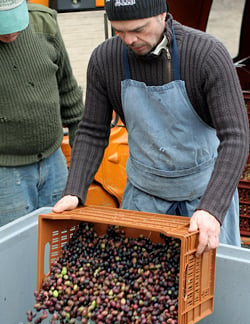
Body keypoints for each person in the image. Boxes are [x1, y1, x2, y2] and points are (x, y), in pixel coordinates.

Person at [53, 0, 249, 255]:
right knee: (141, 280)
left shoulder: (206, 55)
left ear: (162, 14)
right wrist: (74, 190)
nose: (130, 40)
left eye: (139, 29)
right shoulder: (105, 60)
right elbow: (92, 131)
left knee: (214, 283)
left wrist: (212, 207)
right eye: (119, 31)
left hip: (204, 197)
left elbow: (236, 137)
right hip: (144, 199)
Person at [0, 0, 83, 226]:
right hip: (5, 173)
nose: (9, 34)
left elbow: (68, 90)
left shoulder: (44, 22)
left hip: (54, 161)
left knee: (62, 241)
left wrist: (81, 163)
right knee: (14, 251)